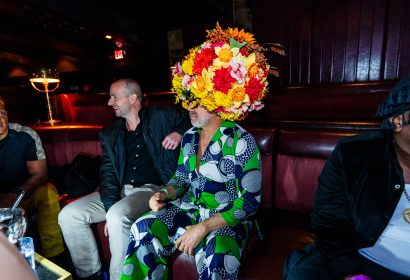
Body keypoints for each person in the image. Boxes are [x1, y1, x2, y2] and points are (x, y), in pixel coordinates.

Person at [121, 23, 274, 280]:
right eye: (188, 98)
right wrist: (163, 192)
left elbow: (248, 204)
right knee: (142, 227)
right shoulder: (190, 137)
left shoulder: (241, 141)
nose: (189, 106)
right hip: (191, 209)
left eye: (198, 101)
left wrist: (203, 228)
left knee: (218, 254)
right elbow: (180, 179)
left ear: (219, 101)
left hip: (227, 219)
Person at [58, 78, 191, 280]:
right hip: (120, 191)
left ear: (133, 98)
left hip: (152, 188)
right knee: (68, 215)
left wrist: (179, 133)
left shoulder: (162, 116)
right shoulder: (109, 133)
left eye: (114, 97)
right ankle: (90, 275)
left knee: (117, 216)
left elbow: (194, 118)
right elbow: (109, 173)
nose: (110, 103)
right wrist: (110, 205)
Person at [284, 76, 410, 280]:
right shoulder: (354, 155)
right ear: (397, 120)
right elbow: (329, 222)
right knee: (302, 271)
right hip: (361, 259)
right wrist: (351, 274)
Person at [0, 96, 65, 261]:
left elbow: (40, 174)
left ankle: (55, 256)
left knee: (49, 192)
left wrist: (16, 196)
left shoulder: (25, 135)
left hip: (22, 193)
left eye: (1, 113)